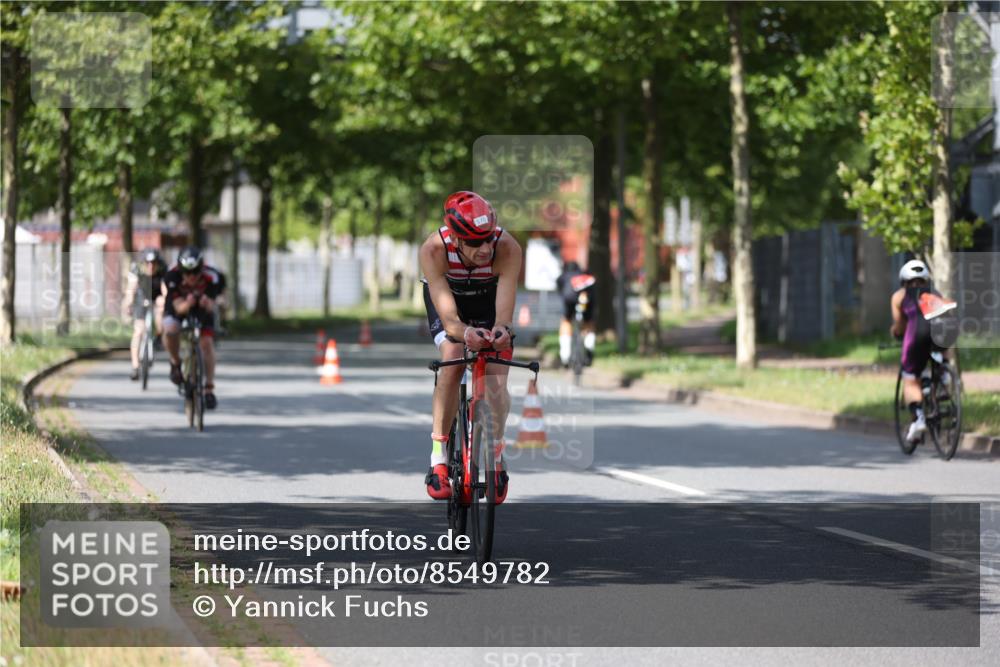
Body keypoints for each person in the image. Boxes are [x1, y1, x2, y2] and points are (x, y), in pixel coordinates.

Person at [419, 191, 522, 503]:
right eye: (475, 242)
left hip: (488, 302)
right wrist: (464, 333)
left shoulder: (507, 248)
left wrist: (502, 330)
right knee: (452, 356)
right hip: (452, 305)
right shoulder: (434, 249)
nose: (485, 248)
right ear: (454, 238)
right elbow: (450, 320)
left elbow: (504, 316)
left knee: (495, 379)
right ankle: (438, 458)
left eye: (488, 238)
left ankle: (496, 453)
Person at [890, 259, 953, 443]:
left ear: (904, 281)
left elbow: (900, 326)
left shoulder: (899, 296)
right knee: (942, 343)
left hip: (918, 334)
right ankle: (944, 373)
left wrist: (895, 332)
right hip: (945, 331)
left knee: (910, 378)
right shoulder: (935, 293)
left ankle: (918, 419)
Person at [162, 246, 226, 410]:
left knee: (207, 344)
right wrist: (188, 303)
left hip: (202, 309)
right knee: (169, 329)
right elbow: (177, 307)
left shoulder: (212, 276)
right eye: (187, 273)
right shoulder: (171, 276)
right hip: (179, 306)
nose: (191, 277)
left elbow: (214, 303)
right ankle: (176, 363)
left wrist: (206, 303)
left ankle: (209, 389)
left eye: (194, 273)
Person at [121, 248, 167, 381]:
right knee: (138, 332)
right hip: (142, 297)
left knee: (161, 306)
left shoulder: (163, 270)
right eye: (148, 263)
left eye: (154, 263)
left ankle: (158, 335)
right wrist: (128, 303)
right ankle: (135, 367)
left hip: (156, 295)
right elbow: (131, 289)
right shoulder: (137, 269)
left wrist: (166, 301)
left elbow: (165, 290)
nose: (151, 266)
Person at [555, 261, 596, 367]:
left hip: (569, 298)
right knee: (588, 322)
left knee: (566, 321)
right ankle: (589, 346)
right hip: (585, 299)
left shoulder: (563, 277)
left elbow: (560, 290)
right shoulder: (584, 276)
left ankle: (565, 355)